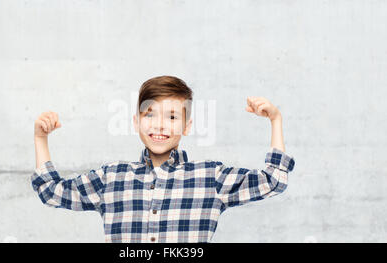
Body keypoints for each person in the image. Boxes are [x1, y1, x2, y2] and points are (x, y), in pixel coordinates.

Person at [31, 75, 295, 243]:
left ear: (187, 126)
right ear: (136, 122)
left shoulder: (210, 178)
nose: (159, 126)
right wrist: (41, 139)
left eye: (171, 117)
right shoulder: (111, 178)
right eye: (150, 115)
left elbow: (273, 181)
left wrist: (275, 120)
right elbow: (53, 192)